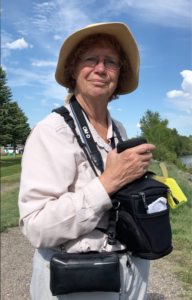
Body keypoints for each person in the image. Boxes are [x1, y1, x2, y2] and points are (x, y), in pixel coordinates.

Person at [18, 22, 155, 300]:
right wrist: (108, 183)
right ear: (73, 69)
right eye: (90, 59)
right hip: (78, 281)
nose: (101, 68)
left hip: (130, 272)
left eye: (111, 61)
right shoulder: (51, 131)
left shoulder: (119, 129)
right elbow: (37, 227)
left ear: (120, 73)